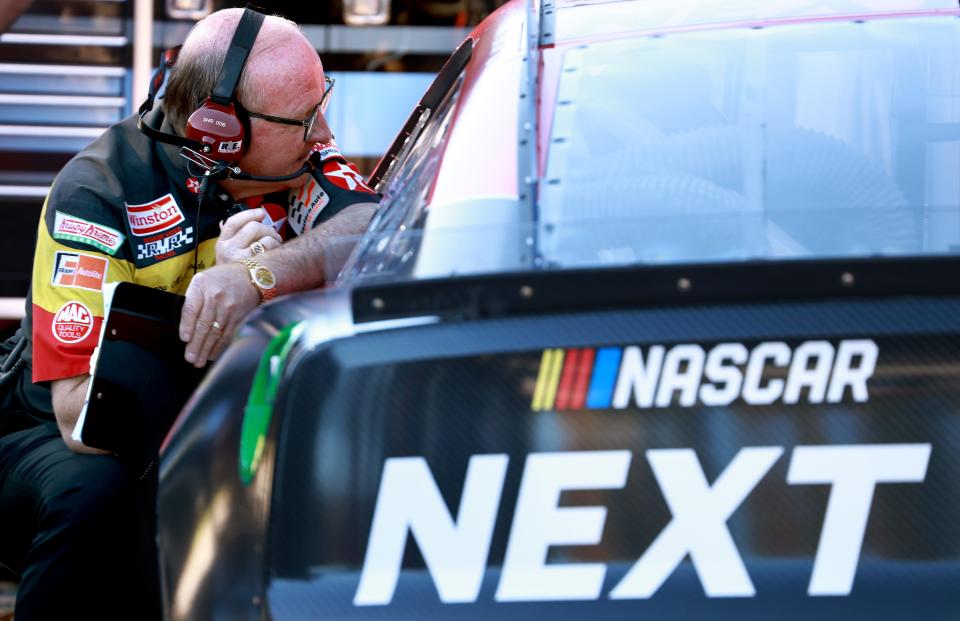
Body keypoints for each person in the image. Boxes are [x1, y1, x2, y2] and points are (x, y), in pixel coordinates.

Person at [0, 7, 378, 619]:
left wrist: (258, 277)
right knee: (101, 490)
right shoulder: (97, 191)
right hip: (47, 438)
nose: (325, 133)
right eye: (306, 118)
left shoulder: (295, 165)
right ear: (217, 126)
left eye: (322, 104)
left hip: (195, 419)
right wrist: (204, 300)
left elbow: (372, 229)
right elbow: (82, 418)